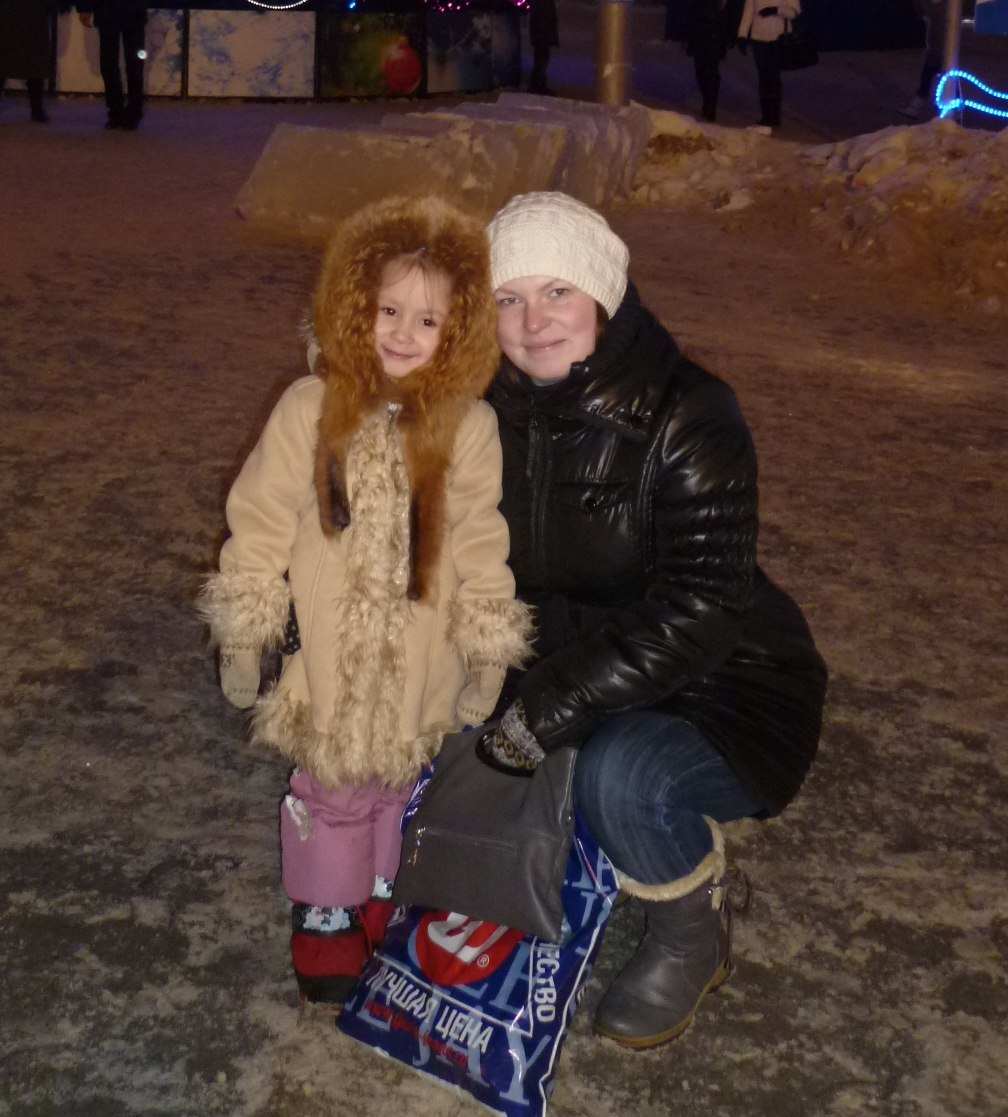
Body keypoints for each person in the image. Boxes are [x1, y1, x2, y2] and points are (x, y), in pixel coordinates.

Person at [480, 192, 828, 1049]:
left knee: (620, 777)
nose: (533, 321)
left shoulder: (689, 413)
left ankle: (692, 930)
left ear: (602, 293)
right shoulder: (482, 409)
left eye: (557, 291)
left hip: (723, 683)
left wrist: (549, 705)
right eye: (507, 298)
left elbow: (704, 606)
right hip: (565, 668)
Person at [198, 195, 533, 1005]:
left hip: (423, 658)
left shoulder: (469, 427)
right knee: (332, 786)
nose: (403, 334)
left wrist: (487, 646)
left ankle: (384, 889)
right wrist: (244, 625)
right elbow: (261, 518)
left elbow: (481, 536)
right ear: (354, 307)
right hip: (330, 656)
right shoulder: (309, 410)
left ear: (458, 331)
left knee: (400, 786)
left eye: (428, 320)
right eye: (389, 311)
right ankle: (325, 907)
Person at [76, 0, 147, 130]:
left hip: (114, 9)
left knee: (125, 64)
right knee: (116, 64)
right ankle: (124, 112)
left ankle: (123, 112)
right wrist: (84, 7)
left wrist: (84, 8)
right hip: (118, 9)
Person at [737, 0, 802, 128]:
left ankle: (774, 116)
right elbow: (748, 12)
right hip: (758, 39)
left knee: (773, 76)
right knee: (764, 77)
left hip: (778, 38)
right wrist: (742, 35)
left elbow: (795, 11)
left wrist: (776, 10)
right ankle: (766, 116)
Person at [683, 0, 744, 122]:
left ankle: (710, 105)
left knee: (712, 69)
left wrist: (732, 34)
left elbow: (733, 10)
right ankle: (707, 99)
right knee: (700, 69)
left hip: (716, 32)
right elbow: (691, 8)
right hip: (699, 30)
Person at [0, 0, 53, 123]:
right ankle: (37, 110)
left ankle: (37, 111)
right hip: (34, 14)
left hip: (6, 13)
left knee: (3, 61)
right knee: (35, 65)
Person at [899, 0, 951, 119]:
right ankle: (954, 109)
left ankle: (916, 106)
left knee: (929, 76)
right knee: (941, 77)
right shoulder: (946, 7)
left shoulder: (944, 8)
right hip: (938, 48)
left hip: (939, 50)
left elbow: (929, 10)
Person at [528, 0, 559, 95]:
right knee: (542, 57)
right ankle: (538, 85)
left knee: (541, 57)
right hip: (542, 31)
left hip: (541, 31)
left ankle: (537, 84)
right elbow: (545, 16)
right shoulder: (543, 4)